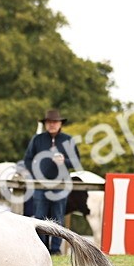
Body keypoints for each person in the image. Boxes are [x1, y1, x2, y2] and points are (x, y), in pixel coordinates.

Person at [22, 109, 82, 255]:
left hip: (61, 185)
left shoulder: (68, 140)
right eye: (49, 122)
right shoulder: (37, 139)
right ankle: (42, 250)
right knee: (40, 218)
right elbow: (27, 159)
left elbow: (76, 161)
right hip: (41, 184)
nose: (52, 125)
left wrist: (64, 161)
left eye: (55, 122)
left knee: (58, 217)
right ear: (45, 124)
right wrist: (35, 174)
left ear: (60, 123)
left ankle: (56, 250)